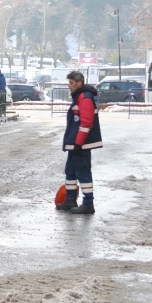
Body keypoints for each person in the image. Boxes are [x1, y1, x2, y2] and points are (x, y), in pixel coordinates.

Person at [56, 70, 102, 214]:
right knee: (70, 171)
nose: (69, 85)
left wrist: (78, 143)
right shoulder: (79, 96)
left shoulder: (85, 97)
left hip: (81, 145)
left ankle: (88, 204)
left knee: (83, 173)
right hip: (76, 144)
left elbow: (86, 123)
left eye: (71, 83)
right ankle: (70, 200)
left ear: (79, 83)